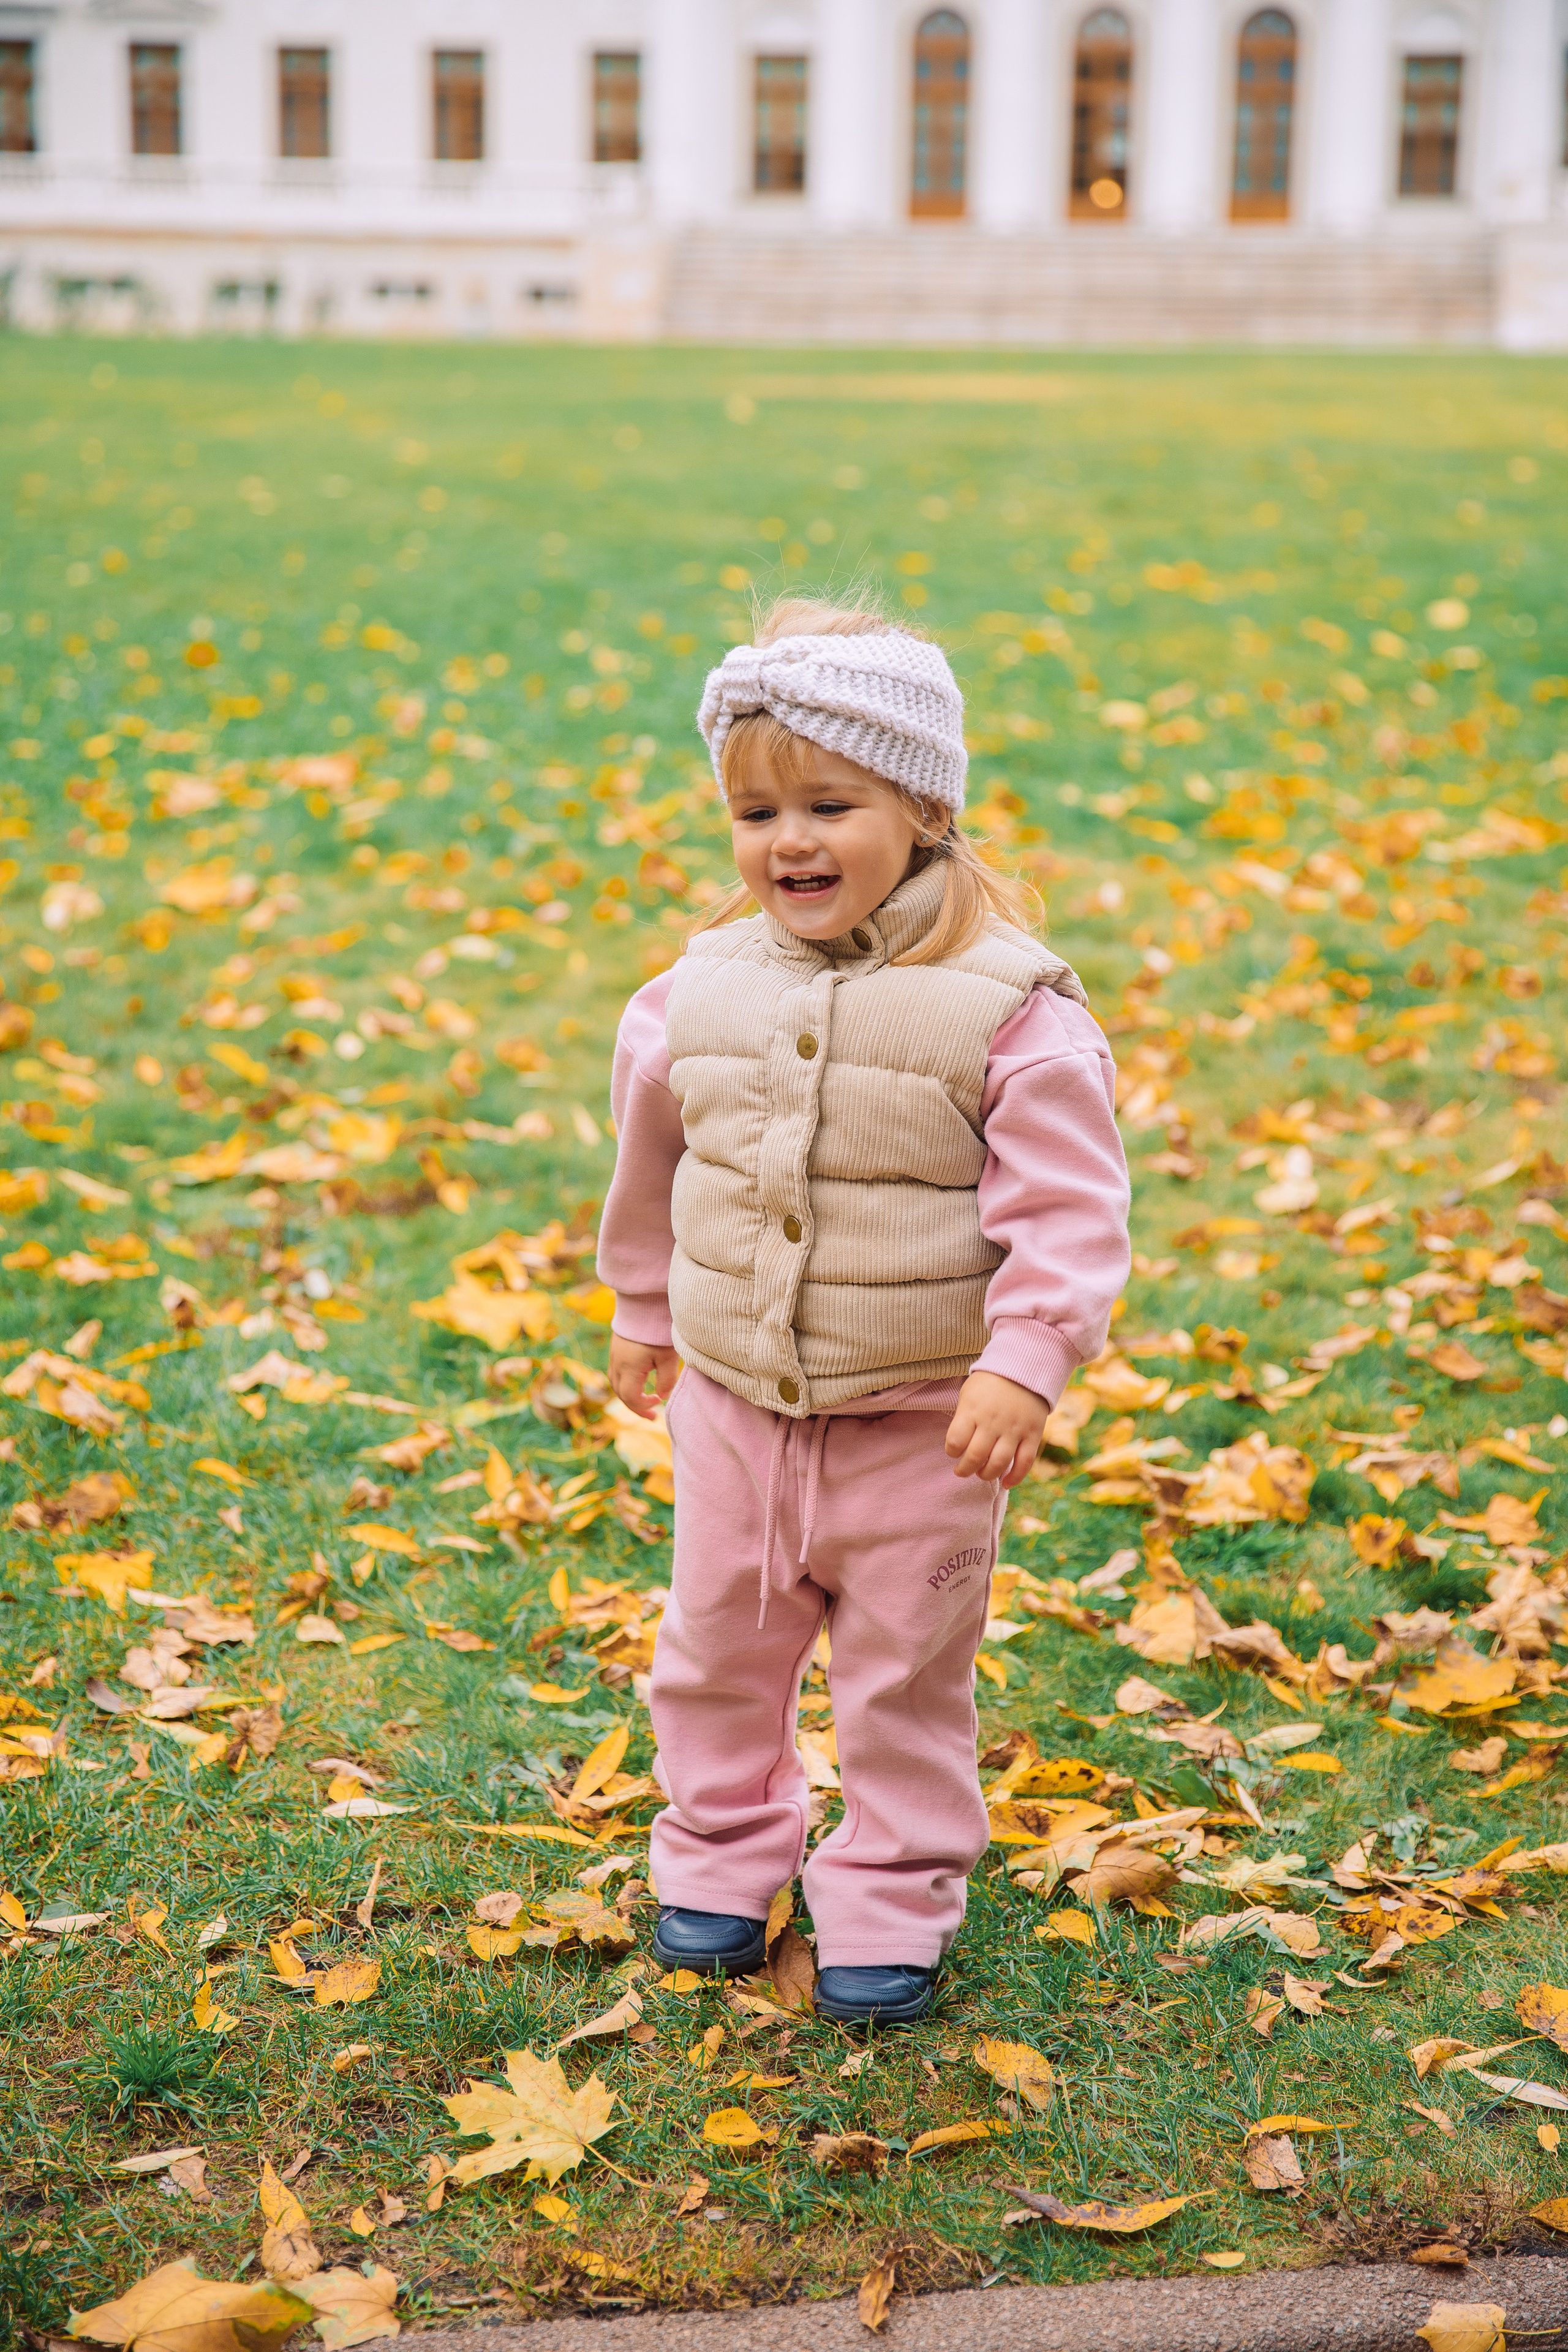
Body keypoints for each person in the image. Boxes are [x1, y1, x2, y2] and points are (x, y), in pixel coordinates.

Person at [597, 596, 1130, 2024]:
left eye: (828, 803)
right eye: (754, 810)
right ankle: (715, 1855)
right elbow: (652, 1168)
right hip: (732, 1412)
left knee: (900, 1677)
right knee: (714, 1649)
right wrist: (643, 1309)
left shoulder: (1008, 1008)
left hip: (922, 1429)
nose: (788, 841)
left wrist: (1026, 1361)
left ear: (925, 805)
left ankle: (888, 1893)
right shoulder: (689, 995)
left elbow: (1069, 1212)